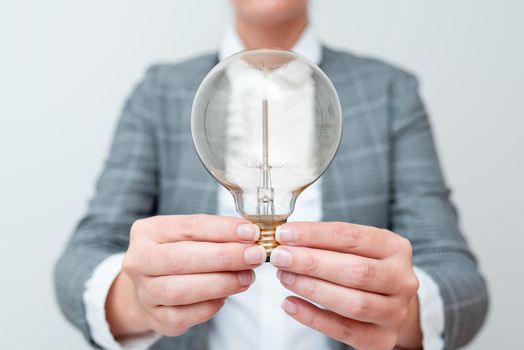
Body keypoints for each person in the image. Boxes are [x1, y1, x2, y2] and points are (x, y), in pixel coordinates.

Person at [54, 1, 488, 349]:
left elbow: (459, 278)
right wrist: (136, 301)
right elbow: (83, 257)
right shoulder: (160, 92)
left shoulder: (389, 92)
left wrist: (401, 315)